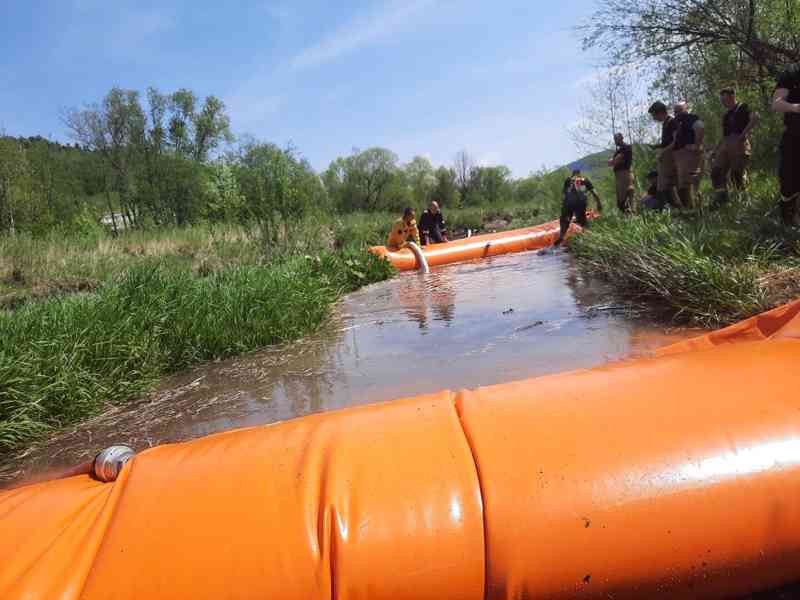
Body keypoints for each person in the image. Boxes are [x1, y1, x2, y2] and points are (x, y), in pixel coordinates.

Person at [711, 87, 759, 208]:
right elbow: (722, 135)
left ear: (732, 96)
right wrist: (715, 150)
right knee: (716, 171)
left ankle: (744, 200)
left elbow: (755, 117)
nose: (723, 103)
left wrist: (743, 135)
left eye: (725, 100)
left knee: (737, 173)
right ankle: (722, 198)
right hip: (726, 145)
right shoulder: (725, 115)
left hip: (739, 143)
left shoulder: (744, 107)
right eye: (721, 101)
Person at [772, 63, 800, 226]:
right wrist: (795, 107)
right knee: (789, 180)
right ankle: (788, 221)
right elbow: (776, 104)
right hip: (794, 136)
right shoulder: (791, 73)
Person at [554, 169, 602, 247]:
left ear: (573, 174)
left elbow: (564, 194)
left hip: (569, 204)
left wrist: (563, 205)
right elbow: (594, 193)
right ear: (579, 174)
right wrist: (598, 203)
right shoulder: (585, 180)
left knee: (564, 220)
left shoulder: (568, 180)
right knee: (583, 222)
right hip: (580, 203)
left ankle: (562, 236)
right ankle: (590, 239)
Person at [671, 102, 705, 210]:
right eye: (675, 111)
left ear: (686, 109)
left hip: (689, 155)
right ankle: (690, 210)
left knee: (692, 182)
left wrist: (697, 145)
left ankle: (698, 210)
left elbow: (700, 126)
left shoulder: (689, 118)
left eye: (679, 110)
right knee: (683, 185)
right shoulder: (678, 122)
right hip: (680, 156)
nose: (677, 113)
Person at [648, 101, 681, 210]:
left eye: (653, 115)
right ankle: (676, 208)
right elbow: (667, 142)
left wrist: (663, 151)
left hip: (672, 158)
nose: (653, 118)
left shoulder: (672, 122)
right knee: (664, 186)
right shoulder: (665, 124)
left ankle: (680, 207)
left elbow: (676, 141)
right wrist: (657, 146)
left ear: (660, 112)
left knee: (668, 185)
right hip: (666, 158)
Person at [609, 133, 635, 213]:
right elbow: (611, 163)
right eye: (615, 139)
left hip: (624, 174)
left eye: (617, 139)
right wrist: (613, 160)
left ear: (622, 138)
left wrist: (613, 160)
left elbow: (616, 160)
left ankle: (632, 213)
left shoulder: (626, 147)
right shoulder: (619, 150)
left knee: (625, 197)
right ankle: (628, 215)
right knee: (621, 201)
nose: (615, 141)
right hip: (619, 175)